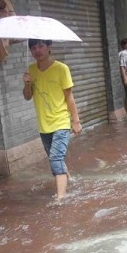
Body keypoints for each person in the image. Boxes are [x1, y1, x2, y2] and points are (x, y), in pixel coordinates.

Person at [22, 39, 83, 201]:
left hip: (61, 121)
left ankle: (60, 198)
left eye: (41, 46)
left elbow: (69, 97)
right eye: (33, 47)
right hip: (44, 124)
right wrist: (27, 84)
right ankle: (69, 179)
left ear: (49, 48)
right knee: (54, 157)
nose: (37, 50)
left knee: (55, 158)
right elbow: (28, 97)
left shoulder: (61, 69)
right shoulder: (31, 70)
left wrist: (75, 121)